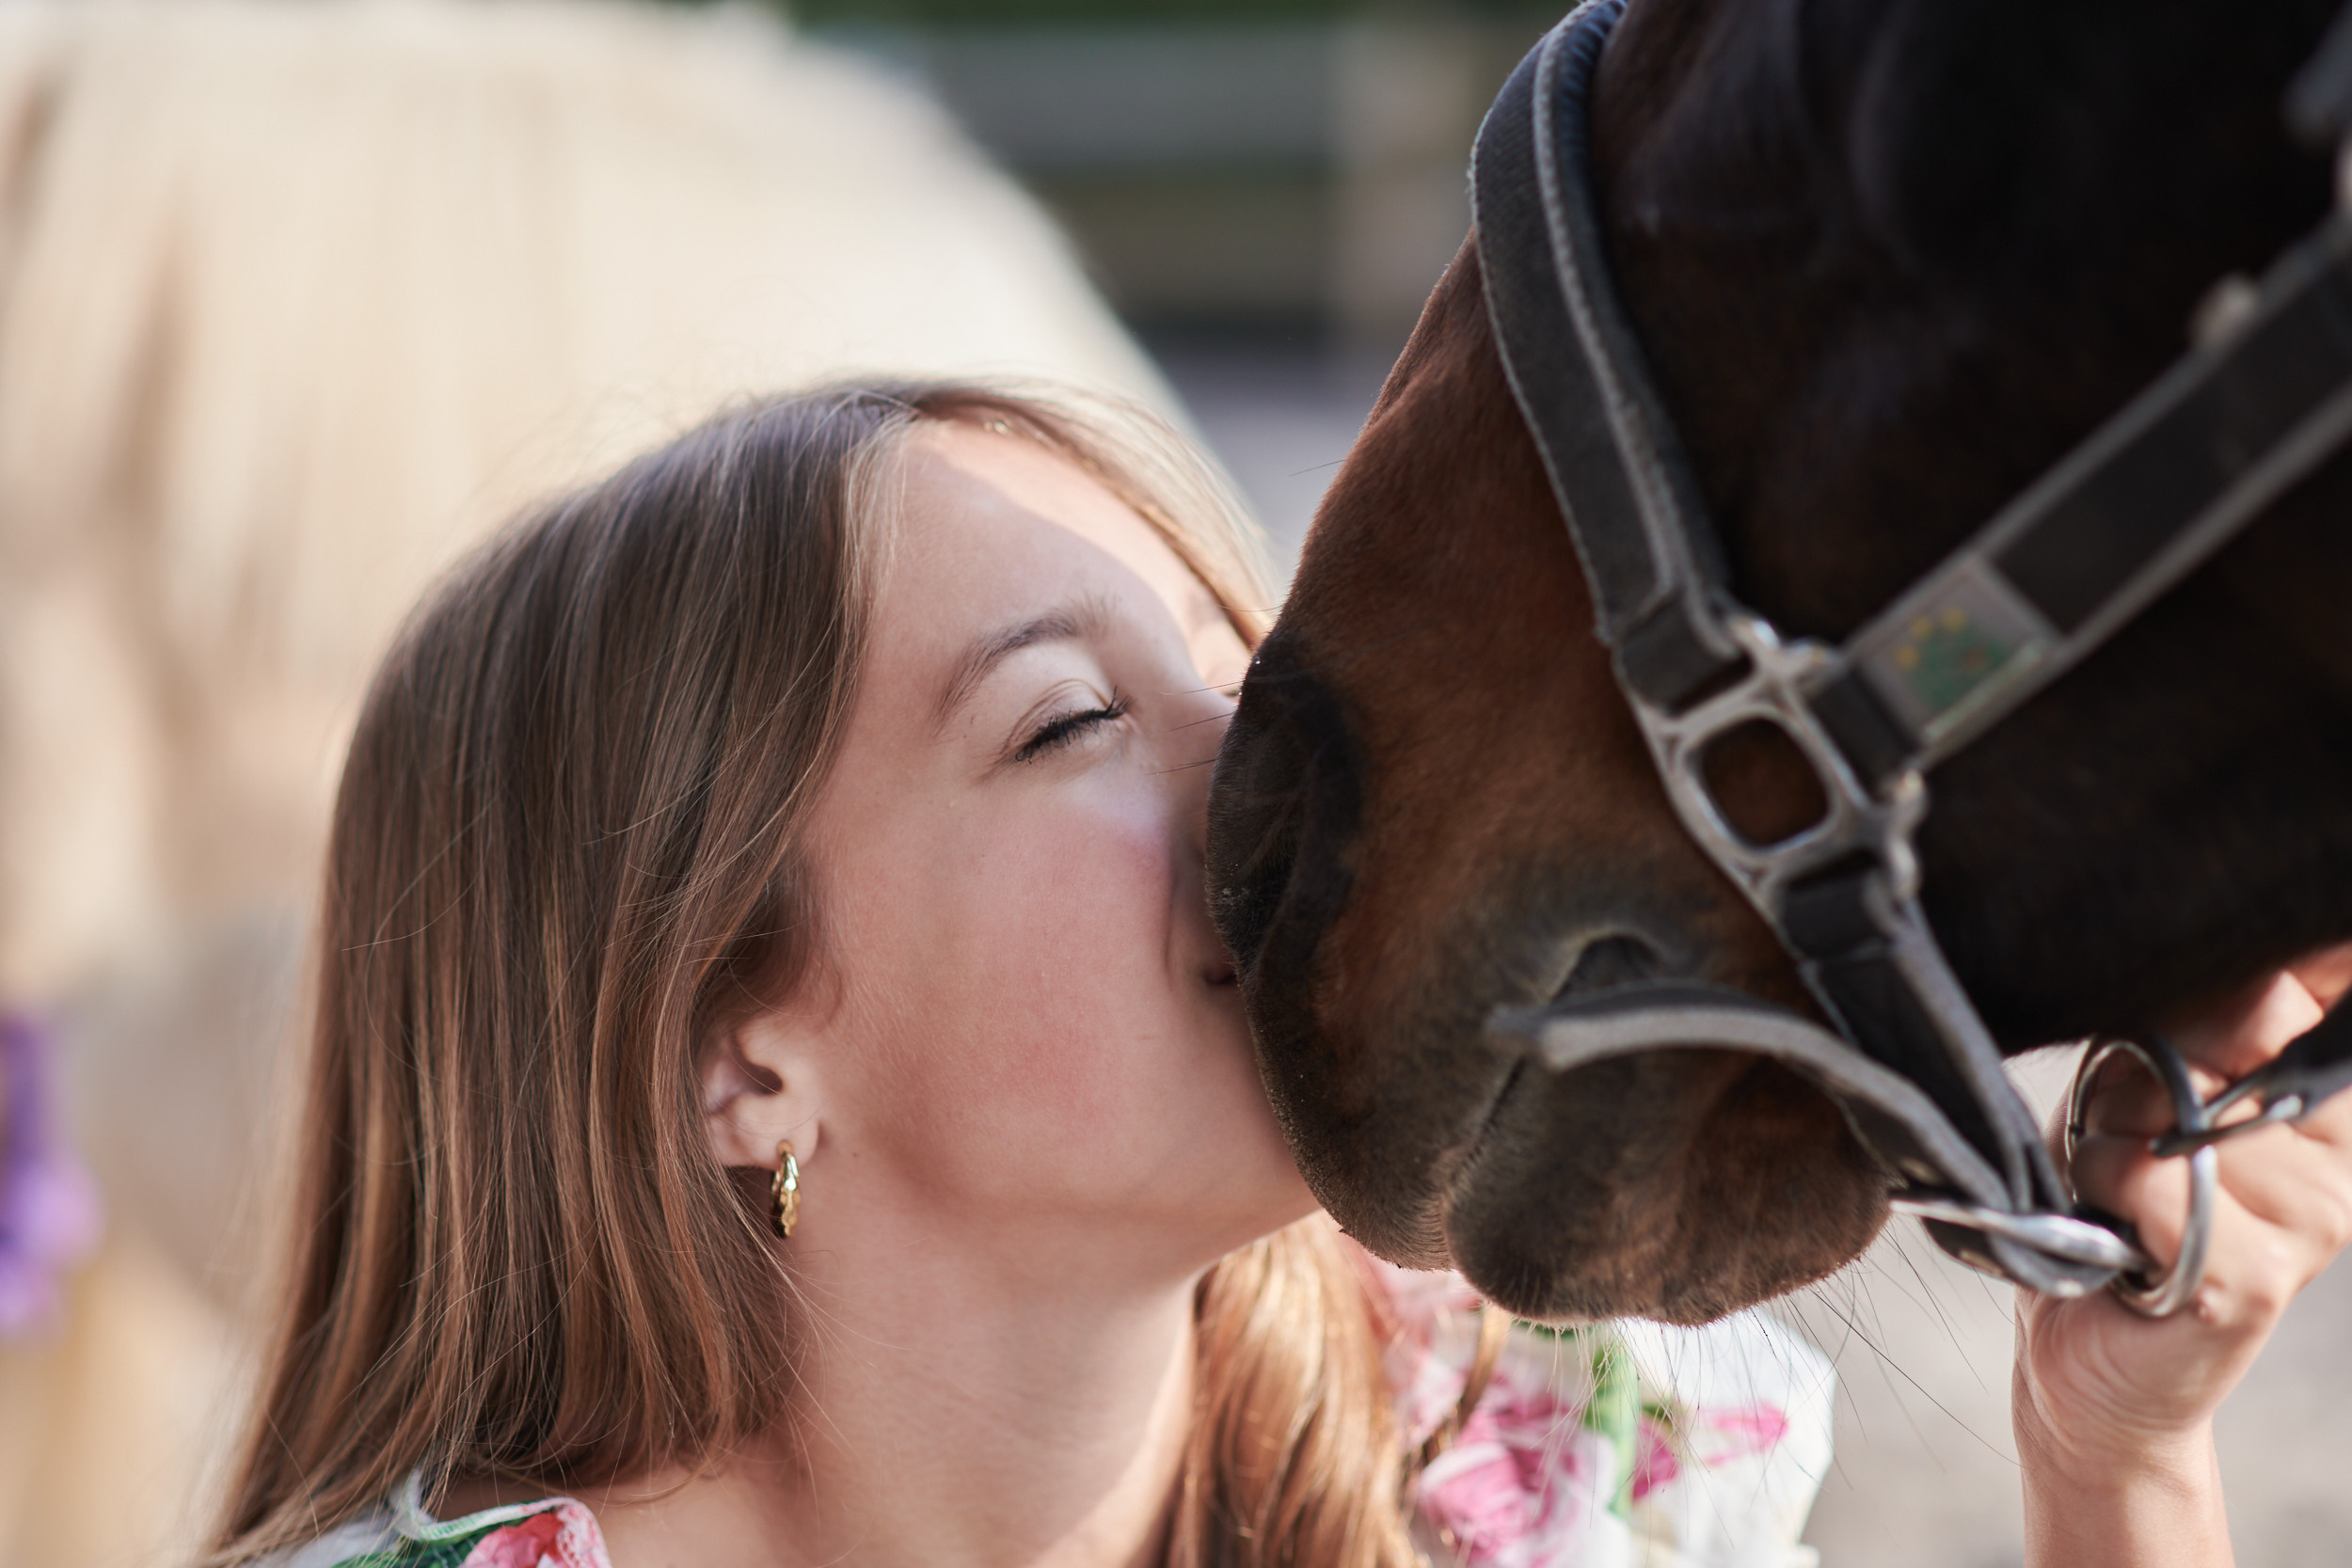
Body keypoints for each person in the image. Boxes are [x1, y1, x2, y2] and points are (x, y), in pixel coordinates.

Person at [203, 382, 2352, 1568]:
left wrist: (2115, 1472)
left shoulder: (1551, 1462)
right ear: (733, 1064)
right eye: (1063, 723)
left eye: (1235, 668)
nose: (1267, 773)